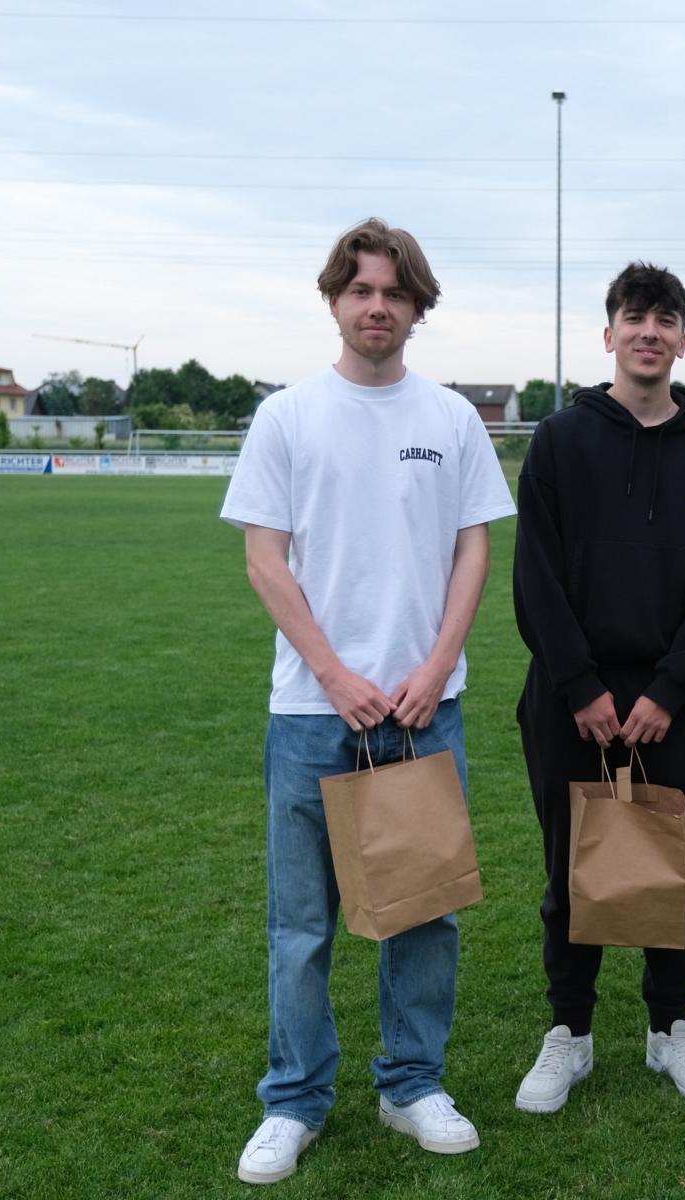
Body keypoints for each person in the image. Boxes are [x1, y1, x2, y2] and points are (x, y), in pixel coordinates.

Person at [220, 218, 516, 1184]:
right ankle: (294, 1099)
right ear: (334, 300)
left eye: (394, 292)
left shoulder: (453, 419)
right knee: (302, 926)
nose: (376, 306)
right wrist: (336, 676)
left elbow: (474, 547)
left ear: (418, 306)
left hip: (425, 711)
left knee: (424, 914)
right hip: (314, 714)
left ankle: (411, 1086)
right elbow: (265, 562)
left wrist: (437, 665)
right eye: (360, 290)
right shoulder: (286, 417)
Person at [511, 262, 685, 1113]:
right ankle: (569, 1033)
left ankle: (669, 1027)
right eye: (635, 317)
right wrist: (579, 686)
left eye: (666, 319)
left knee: (673, 870)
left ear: (683, 340)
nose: (650, 331)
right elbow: (535, 575)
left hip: (672, 706)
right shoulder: (558, 442)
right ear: (609, 334)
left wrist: (670, 690)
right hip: (569, 700)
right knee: (570, 868)